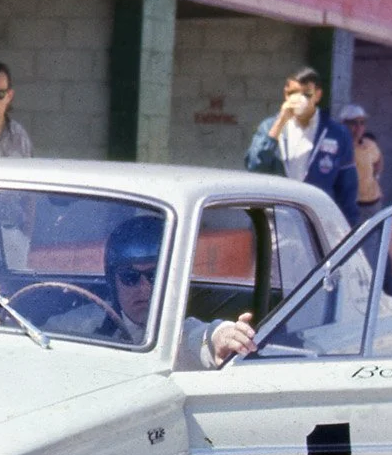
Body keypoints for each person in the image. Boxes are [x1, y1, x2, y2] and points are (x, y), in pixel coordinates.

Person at [43, 215, 255, 369]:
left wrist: (222, 336)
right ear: (112, 281)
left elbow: (202, 338)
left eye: (154, 276)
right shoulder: (79, 325)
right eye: (130, 277)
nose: (144, 288)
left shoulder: (178, 333)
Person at [245, 67, 359, 225]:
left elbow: (347, 188)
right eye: (292, 93)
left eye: (306, 94)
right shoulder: (269, 128)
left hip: (317, 223)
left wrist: (349, 229)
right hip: (277, 220)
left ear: (318, 95)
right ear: (285, 94)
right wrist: (279, 123)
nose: (298, 99)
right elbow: (254, 166)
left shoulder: (336, 133)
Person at [340, 104, 383, 216]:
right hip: (349, 205)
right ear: (343, 123)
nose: (359, 127)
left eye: (362, 123)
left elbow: (378, 160)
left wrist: (376, 177)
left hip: (372, 203)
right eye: (354, 123)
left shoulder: (370, 145)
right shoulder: (338, 147)